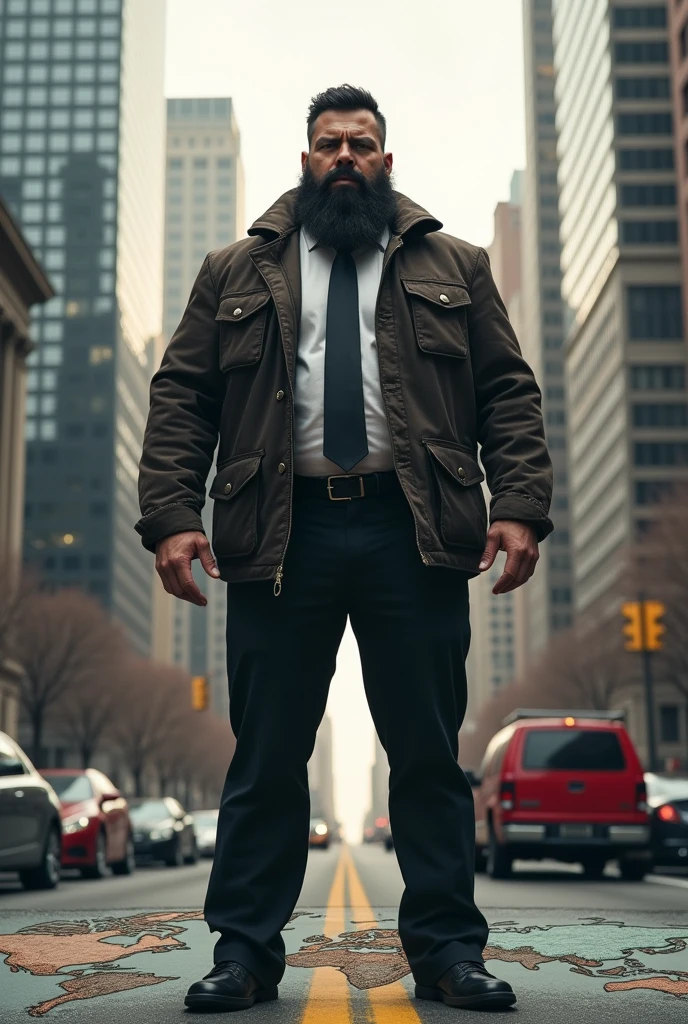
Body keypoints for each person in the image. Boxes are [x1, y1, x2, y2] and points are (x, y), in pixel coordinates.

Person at [136, 84, 552, 1013]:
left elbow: (508, 394)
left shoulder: (459, 265)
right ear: (306, 157)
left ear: (388, 160)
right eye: (329, 144)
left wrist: (519, 504)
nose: (345, 158)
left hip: (417, 530)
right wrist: (170, 514)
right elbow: (182, 399)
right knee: (268, 755)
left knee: (429, 756)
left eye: (361, 144)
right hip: (285, 534)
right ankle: (243, 954)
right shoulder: (232, 271)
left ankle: (448, 953)